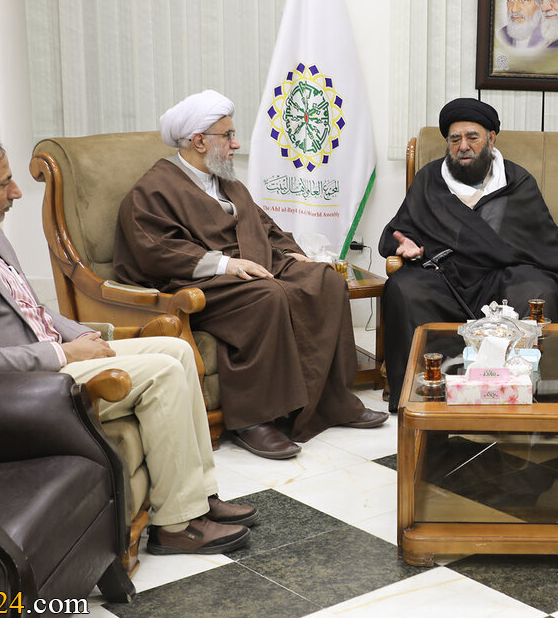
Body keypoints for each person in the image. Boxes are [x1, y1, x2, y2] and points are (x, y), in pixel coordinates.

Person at [0, 134, 255, 556]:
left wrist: (79, 335)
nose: (16, 192)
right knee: (163, 373)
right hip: (4, 392)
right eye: (4, 183)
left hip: (42, 360)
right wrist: (65, 353)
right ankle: (177, 524)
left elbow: (31, 308)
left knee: (176, 351)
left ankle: (200, 496)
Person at [114, 90, 388, 461]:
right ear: (199, 141)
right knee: (267, 295)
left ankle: (332, 400)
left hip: (256, 267)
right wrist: (225, 264)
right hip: (199, 283)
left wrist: (292, 254)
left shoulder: (227, 183)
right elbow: (155, 248)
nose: (236, 144)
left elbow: (265, 226)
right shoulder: (153, 189)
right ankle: (254, 421)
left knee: (326, 280)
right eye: (227, 135)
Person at [379, 97, 558, 408]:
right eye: (455, 139)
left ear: (491, 138)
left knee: (539, 290)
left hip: (502, 275)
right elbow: (400, 229)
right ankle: (424, 396)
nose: (463, 146)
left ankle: (523, 394)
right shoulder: (430, 179)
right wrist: (406, 245)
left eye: (472, 137)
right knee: (403, 288)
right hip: (445, 277)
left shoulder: (517, 181)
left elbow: (543, 239)